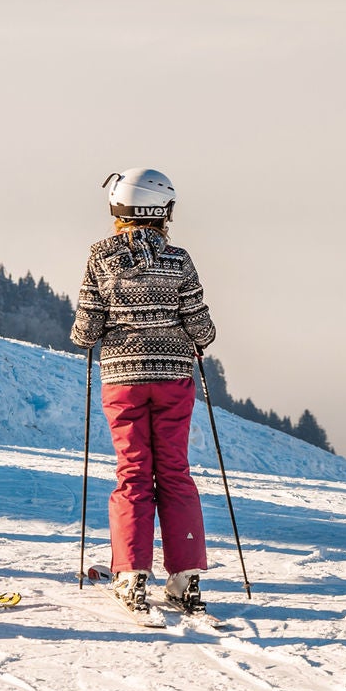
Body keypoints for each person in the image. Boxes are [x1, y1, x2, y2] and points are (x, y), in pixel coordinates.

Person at [70, 168, 217, 621]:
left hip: (123, 379)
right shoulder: (180, 259)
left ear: (118, 208)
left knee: (133, 472)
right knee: (174, 471)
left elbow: (85, 331)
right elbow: (203, 329)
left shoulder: (101, 256)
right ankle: (185, 577)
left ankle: (131, 575)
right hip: (173, 378)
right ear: (162, 210)